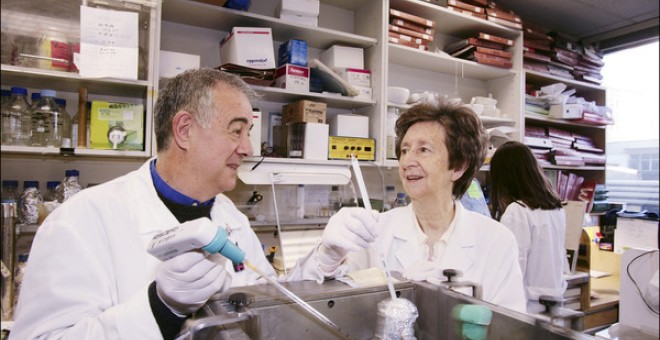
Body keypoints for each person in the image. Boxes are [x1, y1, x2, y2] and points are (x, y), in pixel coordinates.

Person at [11, 68, 277, 339]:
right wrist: (160, 308)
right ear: (185, 130)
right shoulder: (79, 220)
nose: (248, 149)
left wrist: (319, 264)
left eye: (249, 133)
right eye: (236, 131)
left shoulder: (232, 217)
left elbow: (271, 297)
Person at [290, 103, 526, 312]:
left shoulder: (496, 241)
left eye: (423, 149)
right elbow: (307, 301)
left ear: (458, 166)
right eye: (404, 150)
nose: (407, 162)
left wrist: (449, 304)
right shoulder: (376, 230)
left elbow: (509, 331)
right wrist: (327, 258)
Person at [489, 140, 567, 313]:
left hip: (528, 306)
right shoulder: (556, 207)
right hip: (553, 301)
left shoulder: (517, 211)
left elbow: (514, 270)